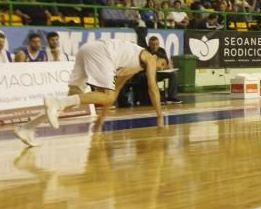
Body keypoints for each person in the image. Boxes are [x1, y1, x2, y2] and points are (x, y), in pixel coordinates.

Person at [13, 35, 170, 147]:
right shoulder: (149, 57)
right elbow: (153, 88)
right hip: (102, 52)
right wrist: (160, 117)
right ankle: (56, 102)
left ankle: (27, 128)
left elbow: (114, 94)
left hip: (87, 50)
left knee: (73, 100)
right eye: (162, 64)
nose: (161, 68)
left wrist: (101, 120)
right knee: (76, 101)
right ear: (156, 57)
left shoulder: (132, 65)